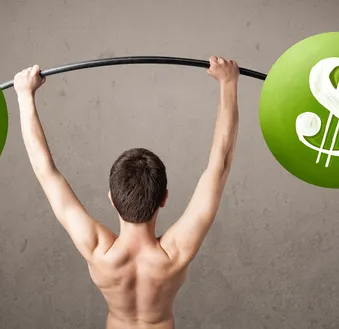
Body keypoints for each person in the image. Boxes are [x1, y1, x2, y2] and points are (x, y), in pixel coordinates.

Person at [14, 55, 240, 329]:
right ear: (164, 198)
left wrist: (25, 96)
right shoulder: (175, 253)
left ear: (112, 198)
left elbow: (45, 171)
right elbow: (220, 164)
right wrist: (228, 83)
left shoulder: (98, 250)